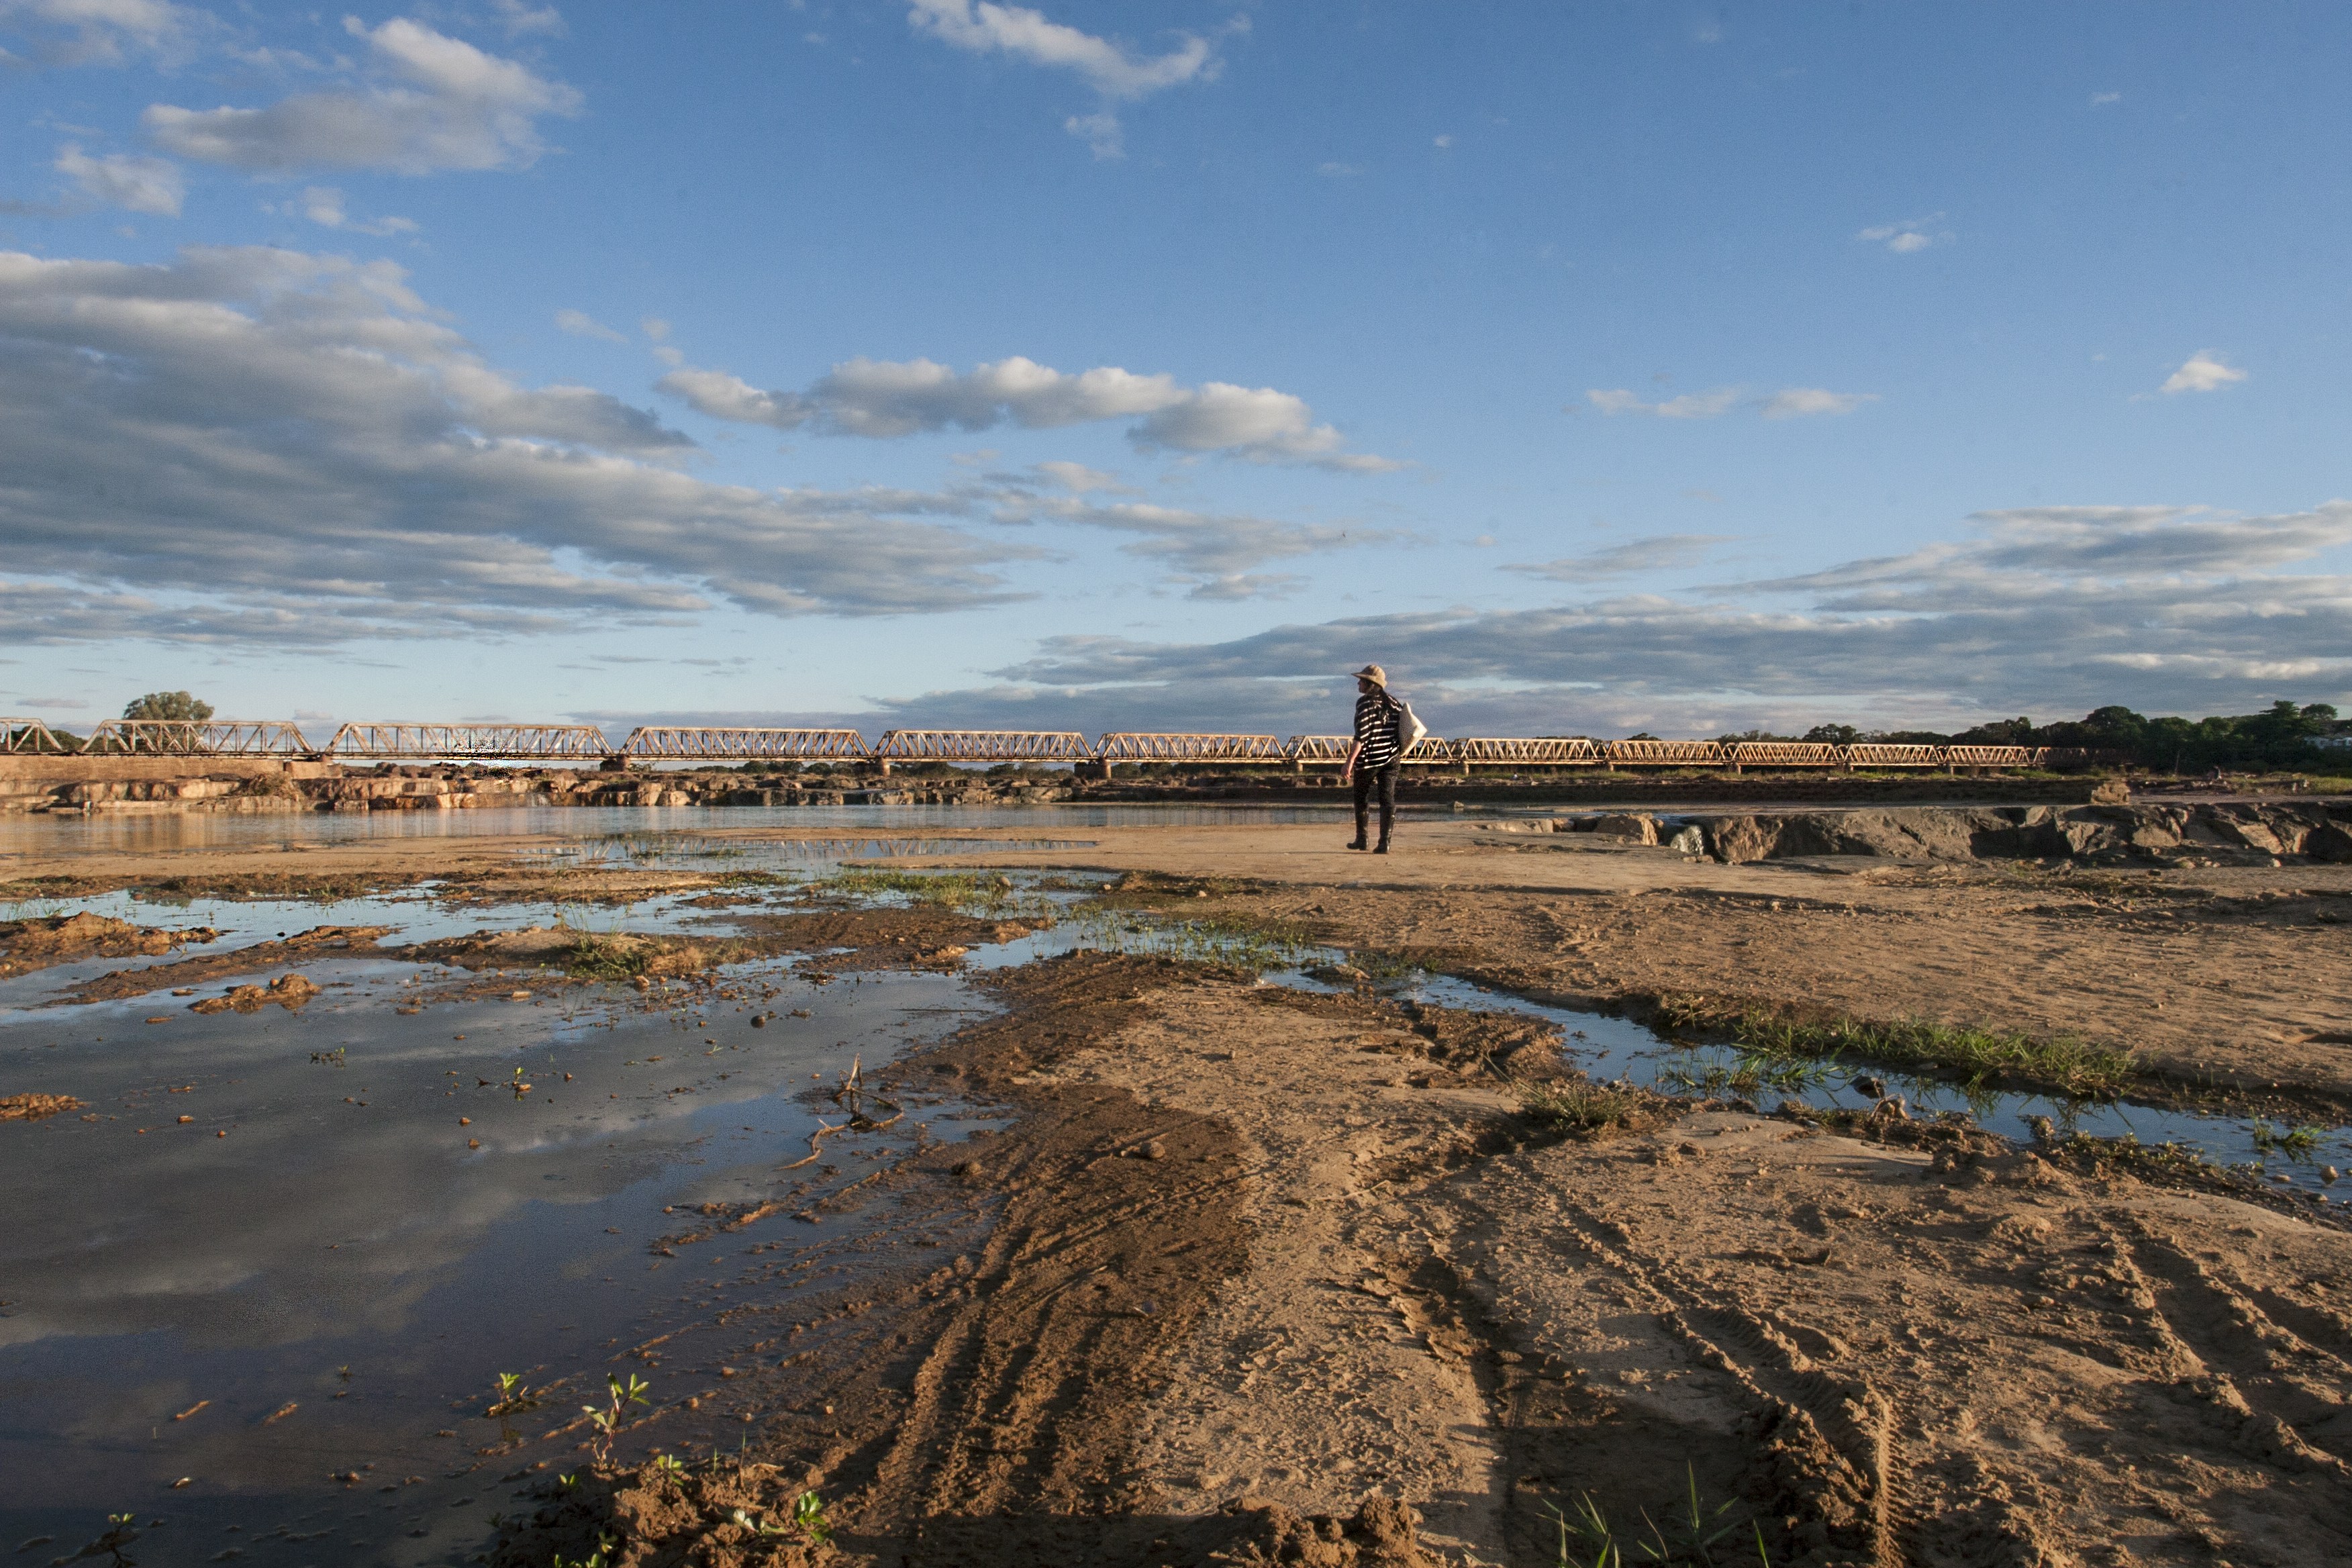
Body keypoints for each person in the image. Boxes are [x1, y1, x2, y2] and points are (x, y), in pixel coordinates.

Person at [1342, 663, 1406, 852]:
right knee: (1387, 799)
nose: (1358, 684)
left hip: (1369, 760)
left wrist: (1350, 761)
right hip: (1391, 758)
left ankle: (1362, 839)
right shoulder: (1395, 703)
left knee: (1361, 798)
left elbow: (1361, 736)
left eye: (1361, 681)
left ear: (1369, 684)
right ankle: (1384, 842)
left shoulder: (1364, 703)